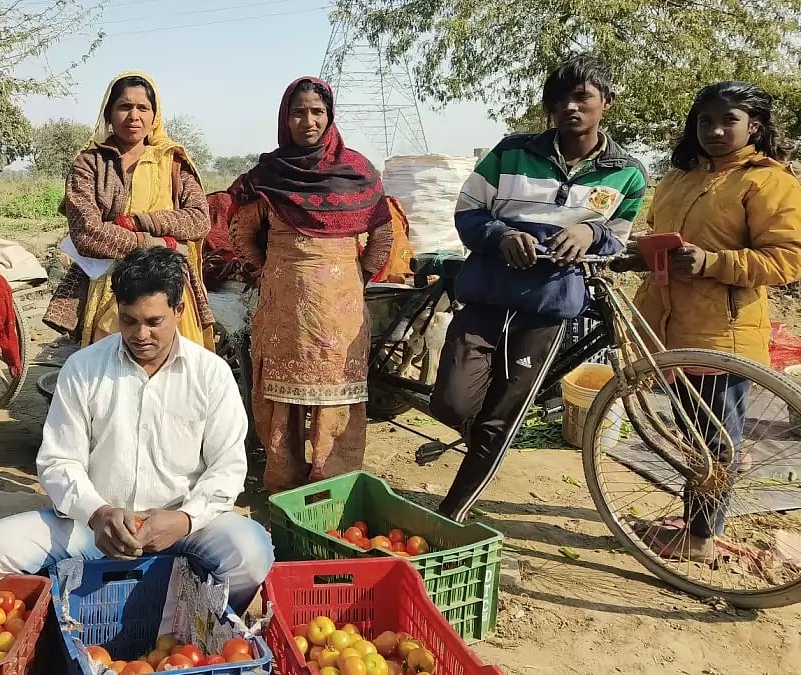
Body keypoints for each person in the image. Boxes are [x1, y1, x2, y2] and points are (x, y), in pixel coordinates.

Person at [0, 247, 273, 613]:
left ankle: (199, 620)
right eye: (129, 321)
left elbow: (227, 467)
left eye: (154, 321)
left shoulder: (211, 375)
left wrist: (183, 520)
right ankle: (55, 624)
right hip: (96, 529)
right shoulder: (83, 368)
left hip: (182, 527)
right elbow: (58, 461)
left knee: (251, 553)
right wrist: (98, 514)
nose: (141, 334)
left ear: (179, 311)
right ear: (118, 310)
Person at [429, 54, 647, 522]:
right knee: (450, 403)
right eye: (560, 99)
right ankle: (477, 434)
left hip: (547, 309)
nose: (571, 107)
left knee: (501, 421)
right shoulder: (512, 152)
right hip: (487, 296)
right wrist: (501, 236)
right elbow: (468, 211)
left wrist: (590, 233)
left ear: (606, 102)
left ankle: (452, 514)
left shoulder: (628, 173)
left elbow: (616, 239)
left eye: (583, 97)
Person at [613, 81, 801, 561]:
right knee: (693, 433)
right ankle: (694, 522)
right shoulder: (681, 178)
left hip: (722, 332)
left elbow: (788, 259)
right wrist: (637, 255)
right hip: (668, 325)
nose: (715, 130)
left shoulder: (768, 182)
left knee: (714, 441)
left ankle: (699, 539)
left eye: (728, 120)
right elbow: (665, 242)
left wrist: (712, 263)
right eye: (705, 121)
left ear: (753, 126)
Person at [227, 76, 394, 494]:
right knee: (282, 398)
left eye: (317, 112)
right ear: (285, 118)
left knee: (335, 394)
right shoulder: (269, 175)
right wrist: (269, 270)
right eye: (298, 112)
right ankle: (284, 488)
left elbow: (382, 234)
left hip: (340, 310)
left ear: (329, 116)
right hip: (283, 309)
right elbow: (241, 232)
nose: (308, 121)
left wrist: (356, 276)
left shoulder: (357, 172)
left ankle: (330, 490)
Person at [43, 71, 215, 351]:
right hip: (111, 285)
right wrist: (152, 244)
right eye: (124, 106)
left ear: (154, 115)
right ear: (109, 113)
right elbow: (87, 233)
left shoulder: (173, 162)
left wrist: (139, 221)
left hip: (169, 282)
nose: (134, 116)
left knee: (175, 366)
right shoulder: (90, 164)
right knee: (111, 363)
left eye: (143, 108)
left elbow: (198, 220)